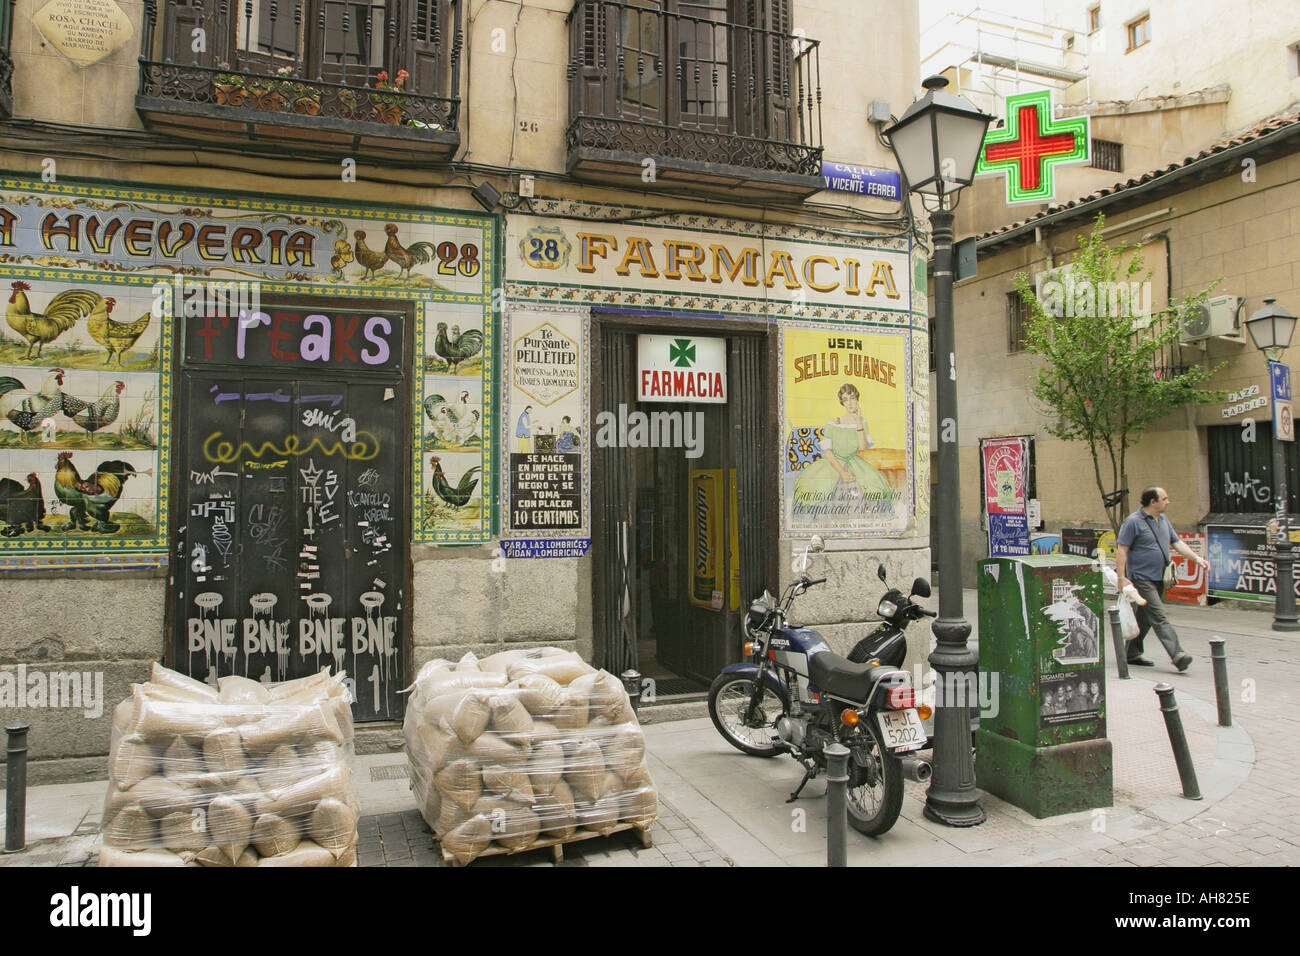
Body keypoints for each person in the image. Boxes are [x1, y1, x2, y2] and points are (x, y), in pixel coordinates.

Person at [1116, 486, 1210, 671]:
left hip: (1159, 576)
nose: (1168, 502)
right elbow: (1122, 550)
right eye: (1164, 498)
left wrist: (1197, 559)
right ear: (1153, 502)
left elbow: (1177, 543)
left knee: (1144, 617)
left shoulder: (1163, 520)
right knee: (1159, 616)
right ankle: (1177, 654)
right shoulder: (1133, 522)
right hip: (1142, 578)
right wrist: (1121, 578)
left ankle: (1132, 653)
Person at [792, 383, 894, 514]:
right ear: (842, 403)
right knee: (813, 489)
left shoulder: (862, 423)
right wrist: (842, 472)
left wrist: (858, 422)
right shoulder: (834, 423)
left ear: (857, 399)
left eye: (852, 398)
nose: (850, 403)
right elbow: (828, 453)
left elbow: (862, 447)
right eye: (846, 400)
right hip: (833, 463)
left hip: (854, 462)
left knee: (875, 488)